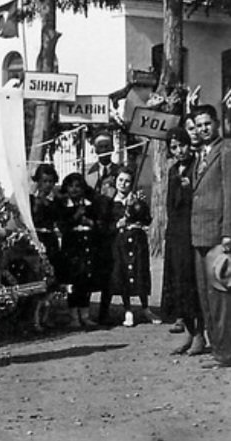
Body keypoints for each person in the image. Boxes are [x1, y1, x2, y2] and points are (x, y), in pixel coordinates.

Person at [189, 104, 231, 367]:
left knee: (220, 298)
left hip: (217, 236)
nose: (203, 129)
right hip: (198, 236)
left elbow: (230, 193)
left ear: (216, 124)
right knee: (206, 296)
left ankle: (225, 353)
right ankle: (217, 348)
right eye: (198, 125)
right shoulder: (199, 154)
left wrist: (228, 232)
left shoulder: (225, 150)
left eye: (207, 123)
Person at [160, 126, 206, 354]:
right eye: (174, 147)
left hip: (193, 231)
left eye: (182, 145)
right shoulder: (172, 171)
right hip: (176, 233)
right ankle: (189, 331)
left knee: (194, 284)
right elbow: (170, 205)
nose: (179, 151)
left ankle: (200, 334)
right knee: (179, 284)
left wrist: (190, 188)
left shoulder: (198, 166)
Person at [106, 167, 159, 327]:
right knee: (124, 273)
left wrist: (139, 205)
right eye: (120, 180)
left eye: (127, 181)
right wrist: (117, 224)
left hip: (137, 242)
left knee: (140, 271)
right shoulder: (110, 203)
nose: (123, 184)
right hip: (120, 243)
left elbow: (147, 220)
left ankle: (145, 307)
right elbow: (106, 225)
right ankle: (128, 309)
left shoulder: (136, 200)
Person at [58, 172, 108, 328]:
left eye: (78, 186)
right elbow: (62, 226)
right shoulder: (63, 206)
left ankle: (85, 315)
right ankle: (74, 317)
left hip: (87, 245)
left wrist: (89, 221)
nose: (74, 190)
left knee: (86, 281)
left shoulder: (90, 204)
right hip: (72, 246)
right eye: (71, 186)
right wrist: (75, 217)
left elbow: (98, 224)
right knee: (73, 282)